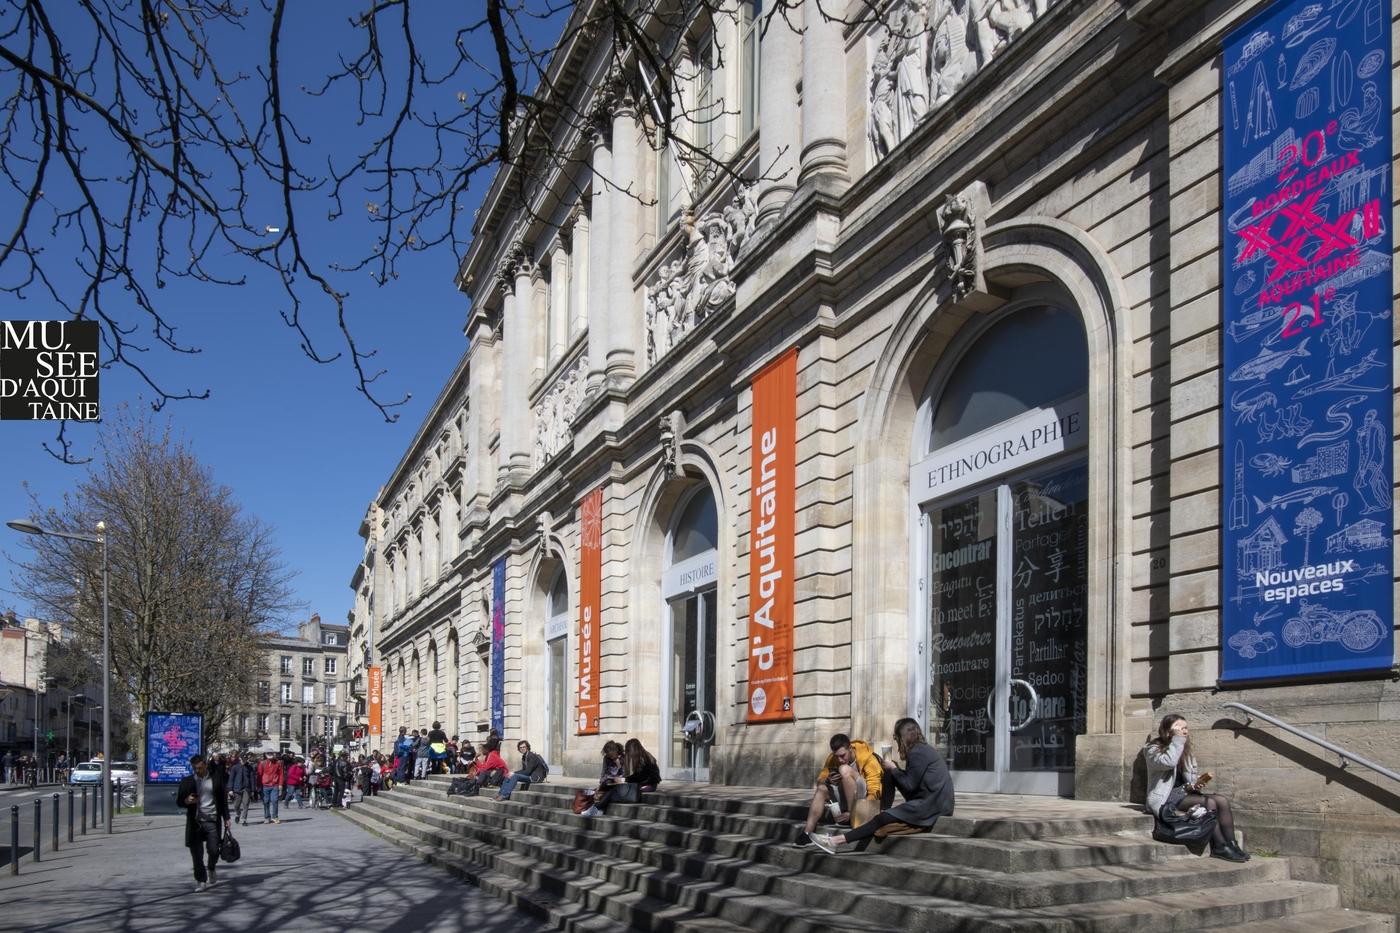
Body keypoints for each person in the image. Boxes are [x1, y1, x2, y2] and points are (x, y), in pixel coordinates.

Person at [810, 717, 954, 854]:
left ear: (902, 738)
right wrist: (893, 769)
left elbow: (910, 785)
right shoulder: (922, 749)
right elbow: (912, 783)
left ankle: (834, 841)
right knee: (890, 772)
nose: (897, 742)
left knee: (881, 818)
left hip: (933, 805)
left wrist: (894, 769)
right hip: (934, 801)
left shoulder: (918, 753)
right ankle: (884, 808)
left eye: (896, 738)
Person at [1143, 714, 1249, 862]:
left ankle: (1232, 844)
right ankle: (1219, 846)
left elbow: (1188, 778)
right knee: (1209, 803)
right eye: (1180, 728)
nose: (1185, 731)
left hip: (1183, 793)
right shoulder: (1152, 749)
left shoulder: (1186, 749)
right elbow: (1168, 762)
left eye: (1186, 728)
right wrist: (1177, 740)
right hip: (1164, 797)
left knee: (1221, 800)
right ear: (1168, 730)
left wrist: (1195, 784)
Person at [793, 733, 885, 848]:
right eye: (836, 756)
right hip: (844, 799)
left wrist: (861, 811)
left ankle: (852, 815)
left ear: (850, 748)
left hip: (864, 800)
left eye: (843, 755)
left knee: (844, 769)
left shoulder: (868, 758)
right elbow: (820, 781)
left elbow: (875, 790)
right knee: (822, 788)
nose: (840, 759)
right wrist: (827, 780)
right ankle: (806, 834)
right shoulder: (833, 759)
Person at [178, 754, 231, 892]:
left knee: (213, 850)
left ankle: (211, 867)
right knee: (196, 854)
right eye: (195, 769)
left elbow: (222, 800)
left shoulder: (216, 779)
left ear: (205, 765)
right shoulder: (187, 782)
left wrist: (226, 818)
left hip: (212, 820)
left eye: (200, 768)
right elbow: (179, 801)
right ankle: (200, 880)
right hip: (195, 822)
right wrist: (186, 801)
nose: (198, 771)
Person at [579, 741, 626, 818]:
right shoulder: (606, 758)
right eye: (608, 754)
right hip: (607, 783)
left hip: (618, 785)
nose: (610, 757)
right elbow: (603, 773)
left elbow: (624, 774)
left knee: (610, 791)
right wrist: (600, 784)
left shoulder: (623, 758)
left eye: (611, 755)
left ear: (616, 750)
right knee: (606, 787)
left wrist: (619, 765)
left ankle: (595, 809)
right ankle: (599, 810)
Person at [256, 750, 284, 824]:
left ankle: (275, 817)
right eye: (268, 753)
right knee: (266, 802)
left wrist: (280, 784)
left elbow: (281, 774)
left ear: (274, 754)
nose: (270, 754)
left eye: (271, 753)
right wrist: (258, 785)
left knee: (275, 801)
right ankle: (267, 817)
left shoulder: (278, 763)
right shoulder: (262, 763)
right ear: (266, 754)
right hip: (264, 785)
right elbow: (259, 775)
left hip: (275, 785)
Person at [227, 754, 255, 825]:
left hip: (246, 788)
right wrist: (230, 789)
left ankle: (244, 820)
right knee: (236, 805)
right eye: (242, 759)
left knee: (246, 804)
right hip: (237, 788)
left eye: (245, 759)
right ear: (240, 759)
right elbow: (231, 778)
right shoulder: (235, 767)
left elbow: (252, 779)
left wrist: (253, 790)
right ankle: (238, 814)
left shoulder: (249, 767)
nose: (244, 761)